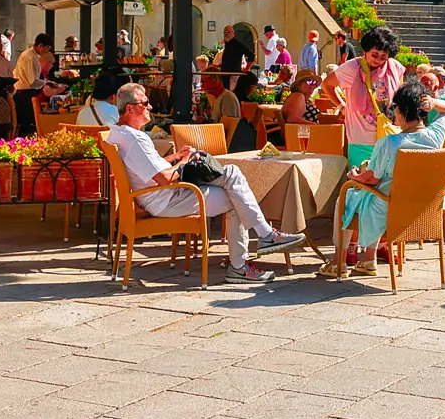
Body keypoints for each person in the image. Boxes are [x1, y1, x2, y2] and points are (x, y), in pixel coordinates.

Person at [106, 82, 304, 281]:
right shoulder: (136, 139)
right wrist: (184, 162)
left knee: (234, 182)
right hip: (167, 198)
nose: (150, 107)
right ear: (130, 108)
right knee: (236, 192)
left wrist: (174, 157)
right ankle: (253, 251)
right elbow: (164, 179)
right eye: (145, 103)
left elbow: (148, 167)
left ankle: (255, 248)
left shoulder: (119, 133)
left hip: (158, 196)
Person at [318, 78, 445, 280]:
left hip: (388, 208)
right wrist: (434, 103)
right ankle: (368, 259)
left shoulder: (389, 143)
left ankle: (339, 261)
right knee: (376, 192)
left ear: (400, 111)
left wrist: (354, 176)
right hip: (423, 206)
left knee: (346, 196)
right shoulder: (435, 136)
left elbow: (372, 179)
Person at [319, 25, 406, 165]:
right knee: (359, 184)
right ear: (366, 50)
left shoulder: (395, 67)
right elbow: (326, 85)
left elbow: (401, 97)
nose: (378, 60)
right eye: (374, 55)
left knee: (386, 185)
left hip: (390, 137)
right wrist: (342, 107)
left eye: (384, 57)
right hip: (361, 140)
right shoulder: (352, 67)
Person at [13, 33, 57, 137]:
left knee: (28, 124)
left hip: (25, 92)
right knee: (29, 124)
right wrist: (47, 82)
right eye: (46, 49)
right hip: (25, 94)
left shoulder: (30, 55)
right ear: (40, 45)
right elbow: (32, 81)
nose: (46, 52)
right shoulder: (30, 57)